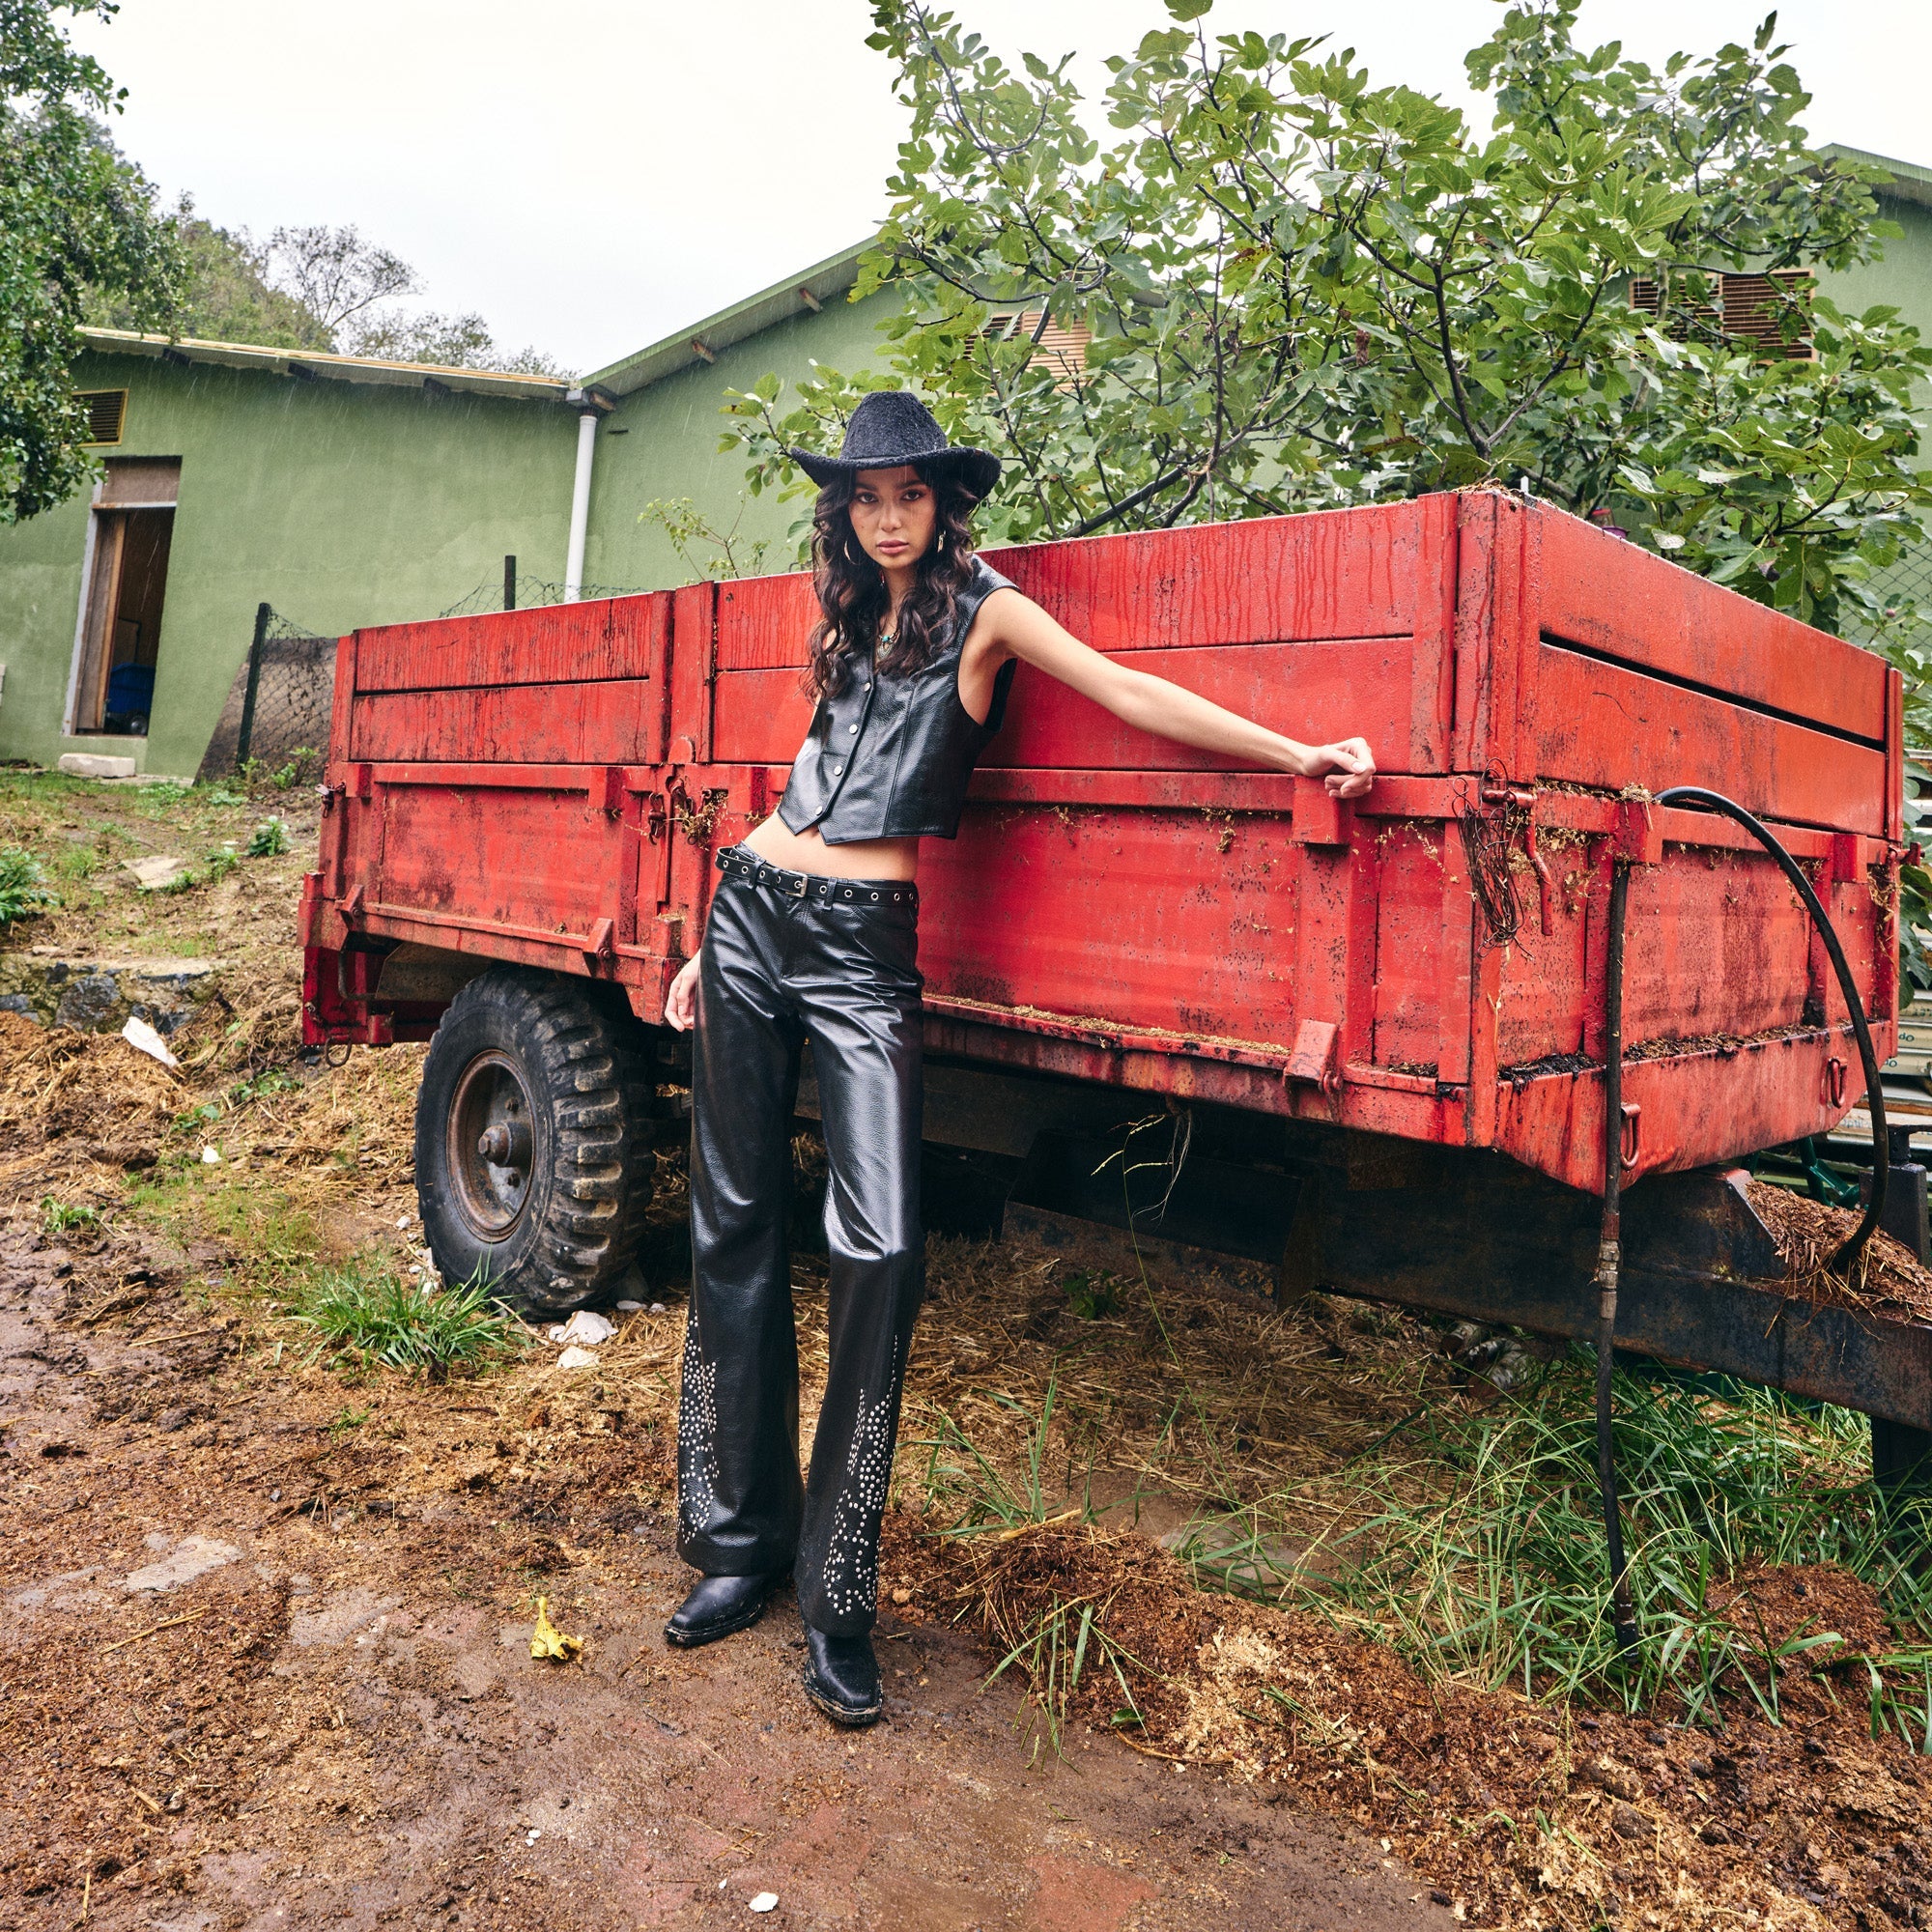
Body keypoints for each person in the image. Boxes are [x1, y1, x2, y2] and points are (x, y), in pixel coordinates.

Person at [661, 390, 1374, 1727]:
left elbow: (1127, 691)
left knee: (877, 1249)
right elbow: (803, 774)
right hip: (751, 915)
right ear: (845, 507)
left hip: (866, 943)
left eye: (908, 496)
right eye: (865, 498)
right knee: (733, 1232)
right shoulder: (843, 612)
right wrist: (711, 937)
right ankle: (733, 1549)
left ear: (944, 503)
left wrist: (1299, 756)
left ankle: (837, 1600)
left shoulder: (986, 609)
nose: (885, 519)